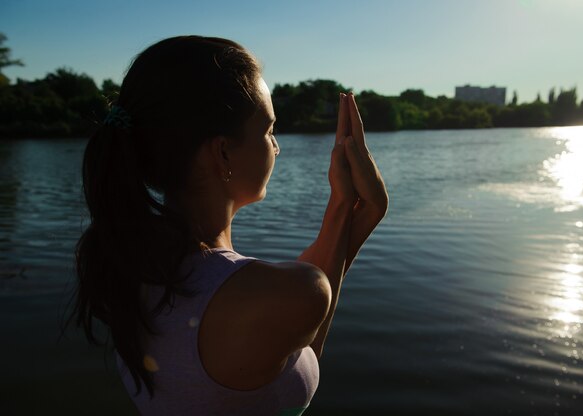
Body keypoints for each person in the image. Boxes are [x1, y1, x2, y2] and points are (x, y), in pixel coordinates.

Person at [67, 35, 387, 415]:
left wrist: (349, 210)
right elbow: (300, 325)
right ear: (222, 152)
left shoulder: (131, 269)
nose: (276, 147)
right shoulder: (277, 294)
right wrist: (354, 211)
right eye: (268, 131)